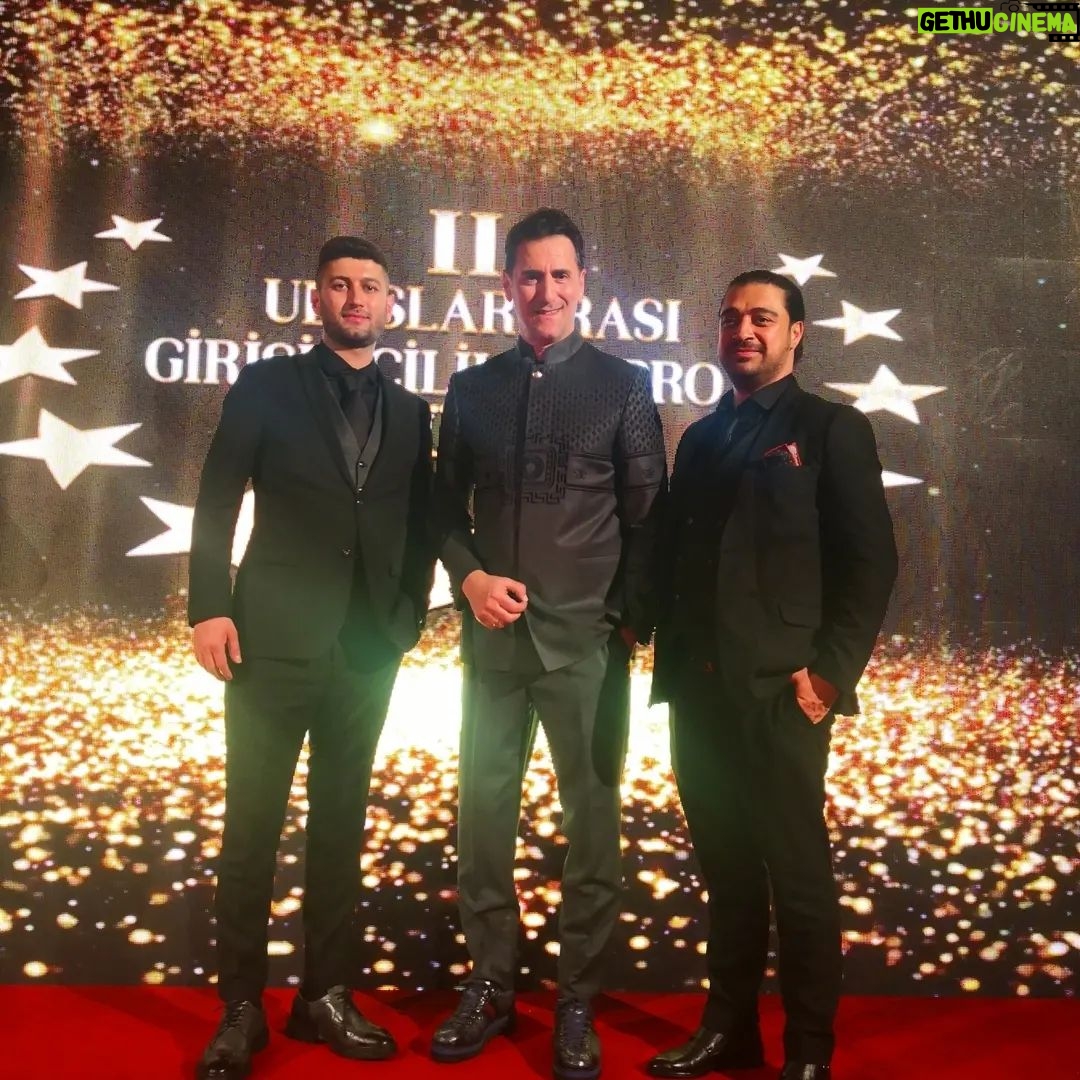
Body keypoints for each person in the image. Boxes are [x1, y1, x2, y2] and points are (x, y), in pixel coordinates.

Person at [188, 236, 434, 1080]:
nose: (355, 298)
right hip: (270, 642)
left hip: (368, 650)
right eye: (340, 285)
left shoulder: (411, 410)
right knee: (251, 830)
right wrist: (209, 606)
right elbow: (216, 499)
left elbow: (420, 520)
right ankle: (241, 1008)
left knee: (339, 829)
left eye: (370, 286)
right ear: (317, 298)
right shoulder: (265, 385)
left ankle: (325, 995)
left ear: (391, 303)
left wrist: (408, 616)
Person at [430, 208, 666, 1080]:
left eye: (560, 275)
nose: (546, 290)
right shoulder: (472, 390)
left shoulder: (624, 385)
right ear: (506, 286)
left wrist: (624, 624)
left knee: (591, 830)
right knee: (482, 825)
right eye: (530, 275)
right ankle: (491, 985)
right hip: (492, 649)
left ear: (582, 283)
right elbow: (440, 511)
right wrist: (470, 580)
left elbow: (650, 520)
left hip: (587, 648)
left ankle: (576, 1000)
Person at [648, 270, 898, 1080]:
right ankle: (730, 1031)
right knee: (726, 873)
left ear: (796, 334)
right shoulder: (700, 439)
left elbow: (871, 563)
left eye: (762, 317)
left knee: (796, 877)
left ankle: (808, 1052)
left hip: (783, 695)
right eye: (731, 319)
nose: (743, 331)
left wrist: (828, 678)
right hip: (698, 690)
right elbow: (676, 556)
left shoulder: (832, 429)